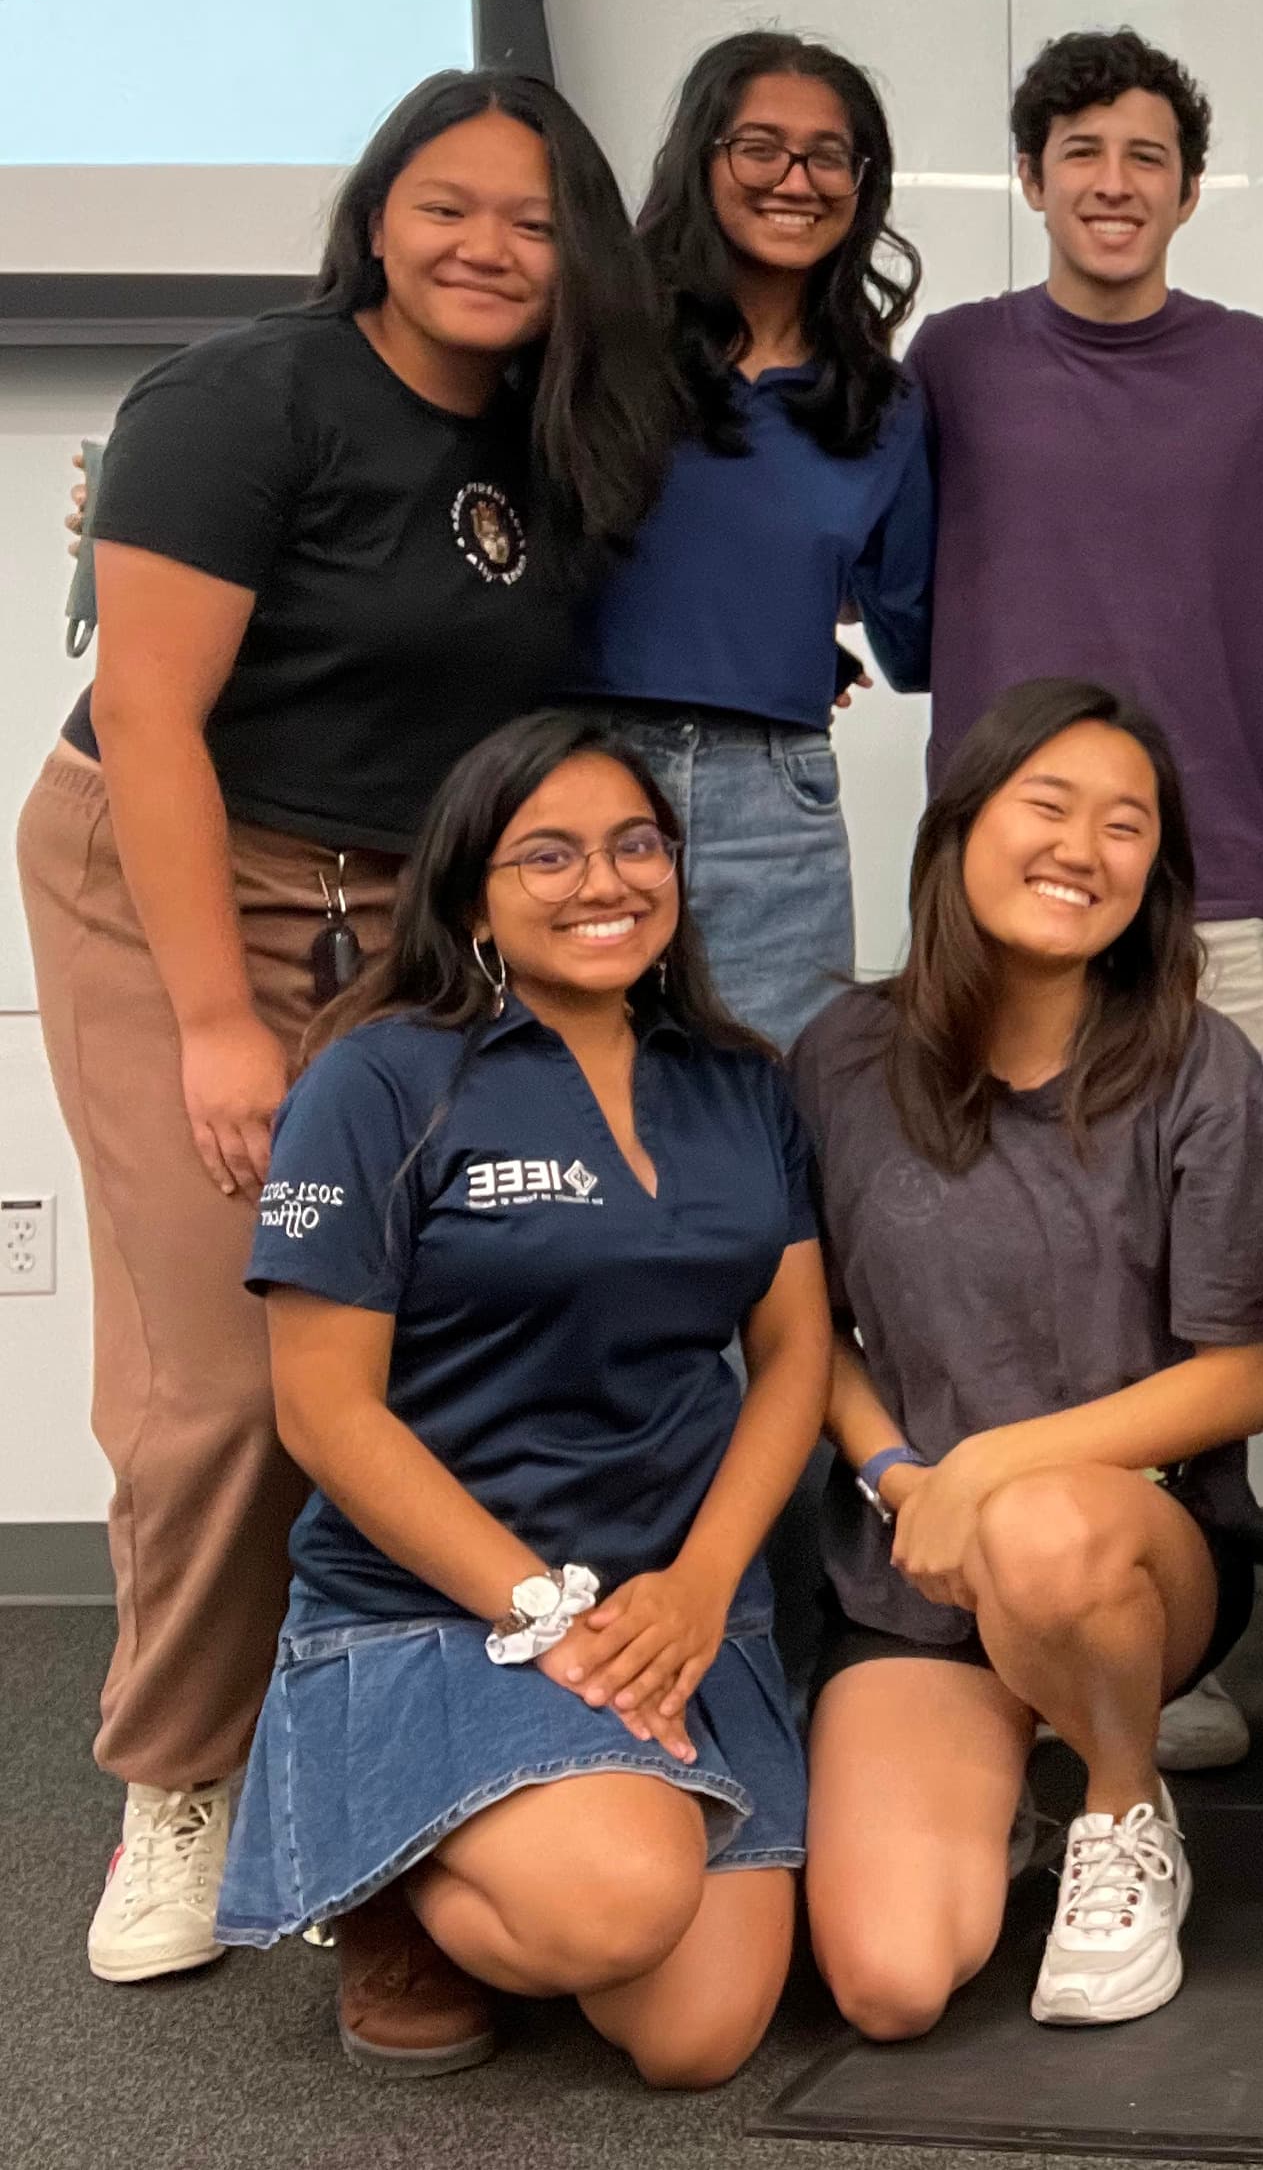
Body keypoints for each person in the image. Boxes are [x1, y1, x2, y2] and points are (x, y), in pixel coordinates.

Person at [26, 71, 672, 1989]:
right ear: (377, 216)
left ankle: (390, 1736)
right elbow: (150, 723)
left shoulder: (561, 436)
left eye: (536, 220)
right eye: (447, 205)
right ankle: (175, 1771)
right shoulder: (241, 398)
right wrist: (218, 1022)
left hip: (414, 911)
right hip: (179, 885)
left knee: (428, 1329)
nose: (489, 246)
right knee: (229, 1372)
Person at [213, 713, 831, 2087]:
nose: (602, 882)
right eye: (546, 853)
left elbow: (792, 1357)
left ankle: (542, 1833)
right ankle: (386, 1863)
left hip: (673, 1606)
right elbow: (325, 1412)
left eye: (633, 846)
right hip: (440, 1605)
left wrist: (698, 1580)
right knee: (614, 1902)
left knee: (697, 2035)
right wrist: (543, 1614)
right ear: (470, 890)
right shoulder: (379, 1078)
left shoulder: (739, 1085)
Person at [799, 680, 1263, 2035]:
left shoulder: (1203, 1068)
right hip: (915, 1563)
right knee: (891, 1981)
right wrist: (902, 1474)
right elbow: (802, 1332)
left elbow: (1240, 1377)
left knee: (1044, 1531)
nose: (1084, 847)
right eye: (1048, 806)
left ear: (1157, 875)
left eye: (1126, 826)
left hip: (1129, 1554)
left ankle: (1122, 1801)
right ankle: (1008, 1763)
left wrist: (993, 1469)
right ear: (957, 827)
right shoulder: (842, 1054)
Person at [911, 28, 1263, 1055]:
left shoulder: (1260, 365)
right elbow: (859, 546)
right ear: (1030, 178)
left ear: (1189, 191)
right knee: (995, 1199)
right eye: (1081, 152)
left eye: (1146, 157)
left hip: (1215, 875)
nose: (1114, 184)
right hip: (1000, 873)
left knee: (1220, 1204)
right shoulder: (954, 359)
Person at [582, 28, 935, 1047]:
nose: (797, 179)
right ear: (702, 161)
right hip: (573, 766)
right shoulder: (595, 346)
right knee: (556, 1102)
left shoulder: (882, 403)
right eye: (761, 147)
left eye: (830, 155)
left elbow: (910, 635)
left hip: (774, 798)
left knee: (775, 1117)